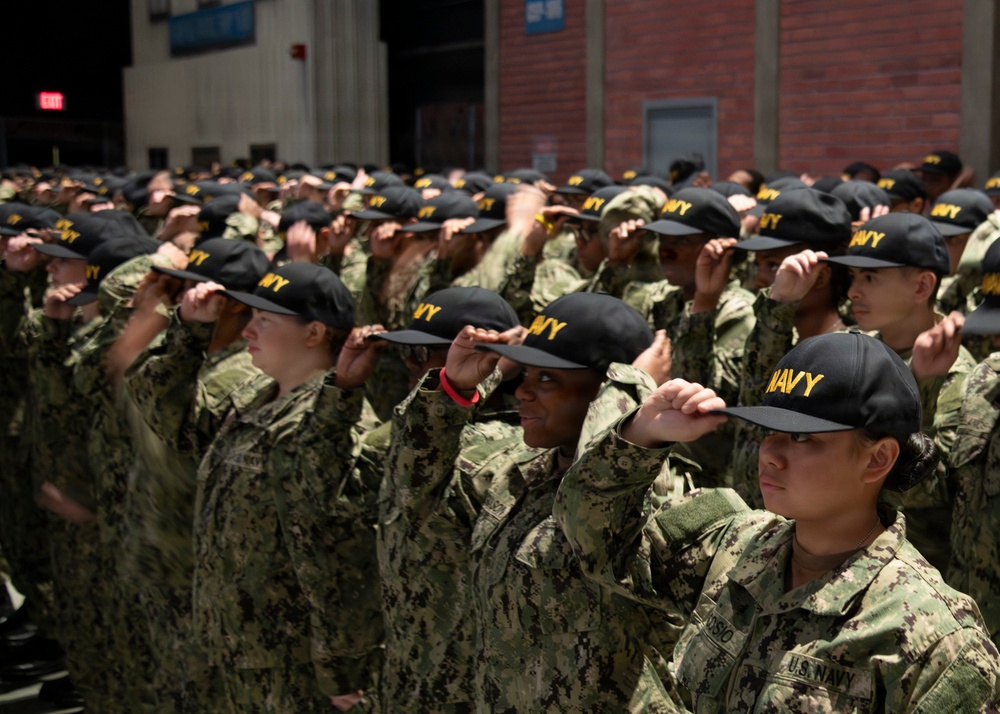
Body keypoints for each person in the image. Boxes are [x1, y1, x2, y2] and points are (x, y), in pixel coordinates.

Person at [556, 331, 1000, 711]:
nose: (770, 453)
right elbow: (594, 542)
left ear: (878, 457)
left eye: (802, 437)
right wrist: (642, 434)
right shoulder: (733, 543)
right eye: (770, 431)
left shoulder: (933, 637)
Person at [389, 292, 686, 711]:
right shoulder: (518, 469)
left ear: (606, 391)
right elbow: (412, 494)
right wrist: (451, 392)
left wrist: (630, 397)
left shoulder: (654, 492)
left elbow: (595, 500)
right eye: (525, 374)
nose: (523, 392)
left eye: (547, 379)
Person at [191, 262, 383, 712]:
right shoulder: (258, 399)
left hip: (294, 661)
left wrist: (339, 665)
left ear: (314, 332)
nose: (247, 330)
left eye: (266, 320)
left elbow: (335, 552)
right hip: (241, 644)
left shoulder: (331, 420)